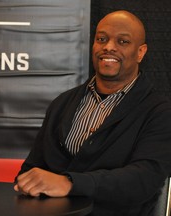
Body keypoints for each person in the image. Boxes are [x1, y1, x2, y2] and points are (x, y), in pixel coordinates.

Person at [14, 10, 171, 216]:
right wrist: (29, 183)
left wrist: (70, 183)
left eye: (123, 41)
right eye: (101, 39)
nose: (109, 47)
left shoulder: (159, 112)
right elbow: (31, 168)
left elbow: (144, 180)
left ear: (140, 52)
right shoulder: (62, 103)